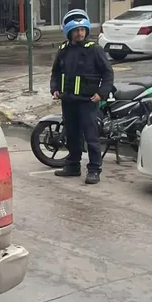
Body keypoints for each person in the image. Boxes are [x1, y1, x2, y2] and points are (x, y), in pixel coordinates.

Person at [50, 13, 114, 185]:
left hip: (88, 101)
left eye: (82, 30)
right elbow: (55, 72)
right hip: (68, 100)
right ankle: (73, 165)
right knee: (72, 135)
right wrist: (54, 89)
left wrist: (101, 93)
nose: (80, 34)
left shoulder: (94, 50)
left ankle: (94, 170)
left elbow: (108, 73)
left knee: (91, 137)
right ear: (69, 32)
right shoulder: (63, 50)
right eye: (76, 31)